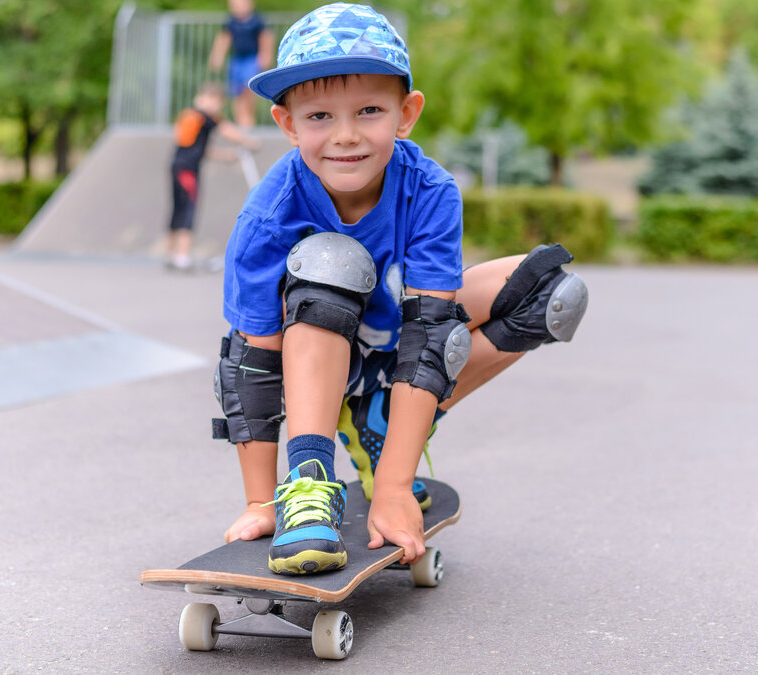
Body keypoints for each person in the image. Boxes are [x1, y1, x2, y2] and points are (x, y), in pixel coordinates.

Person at [212, 2, 589, 575]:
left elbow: (431, 334)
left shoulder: (431, 190)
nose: (345, 136)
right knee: (331, 261)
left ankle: (383, 423)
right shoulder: (270, 215)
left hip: (396, 339)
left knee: (553, 294)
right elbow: (254, 365)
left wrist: (391, 485)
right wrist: (259, 500)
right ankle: (309, 483)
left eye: (369, 111)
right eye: (319, 117)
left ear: (405, 113)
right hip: (310, 357)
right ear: (287, 124)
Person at [167, 82, 260, 272]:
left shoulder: (192, 117)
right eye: (215, 101)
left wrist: (225, 156)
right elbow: (228, 130)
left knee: (178, 208)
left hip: (179, 165)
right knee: (188, 208)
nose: (217, 106)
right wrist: (249, 142)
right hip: (187, 170)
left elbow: (197, 149)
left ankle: (171, 254)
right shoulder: (204, 117)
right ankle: (182, 257)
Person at [208, 0, 273, 128]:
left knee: (248, 90)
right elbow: (224, 39)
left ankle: (248, 120)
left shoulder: (256, 20)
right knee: (235, 93)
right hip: (237, 60)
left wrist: (265, 55)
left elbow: (265, 37)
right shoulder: (231, 21)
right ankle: (241, 122)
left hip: (251, 59)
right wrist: (217, 56)